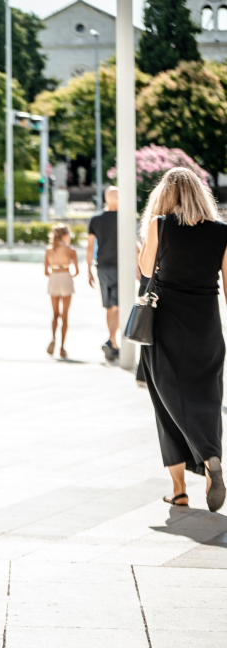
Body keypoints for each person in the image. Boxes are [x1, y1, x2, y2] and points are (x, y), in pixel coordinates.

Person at [137, 168, 227, 511]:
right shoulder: (222, 233)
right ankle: (211, 462)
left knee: (166, 404)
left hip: (165, 325)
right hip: (207, 326)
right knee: (207, 398)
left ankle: (179, 489)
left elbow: (146, 271)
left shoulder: (160, 225)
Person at [88, 187, 120, 362]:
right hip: (119, 266)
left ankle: (113, 343)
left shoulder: (96, 219)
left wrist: (88, 269)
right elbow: (133, 242)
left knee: (110, 307)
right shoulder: (124, 217)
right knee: (116, 306)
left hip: (102, 267)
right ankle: (112, 341)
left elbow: (90, 246)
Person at [44, 224, 78, 359]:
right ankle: (62, 348)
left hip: (53, 279)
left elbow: (46, 272)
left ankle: (53, 338)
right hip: (66, 278)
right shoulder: (70, 250)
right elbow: (76, 271)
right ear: (64, 235)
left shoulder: (48, 250)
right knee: (65, 316)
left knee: (55, 314)